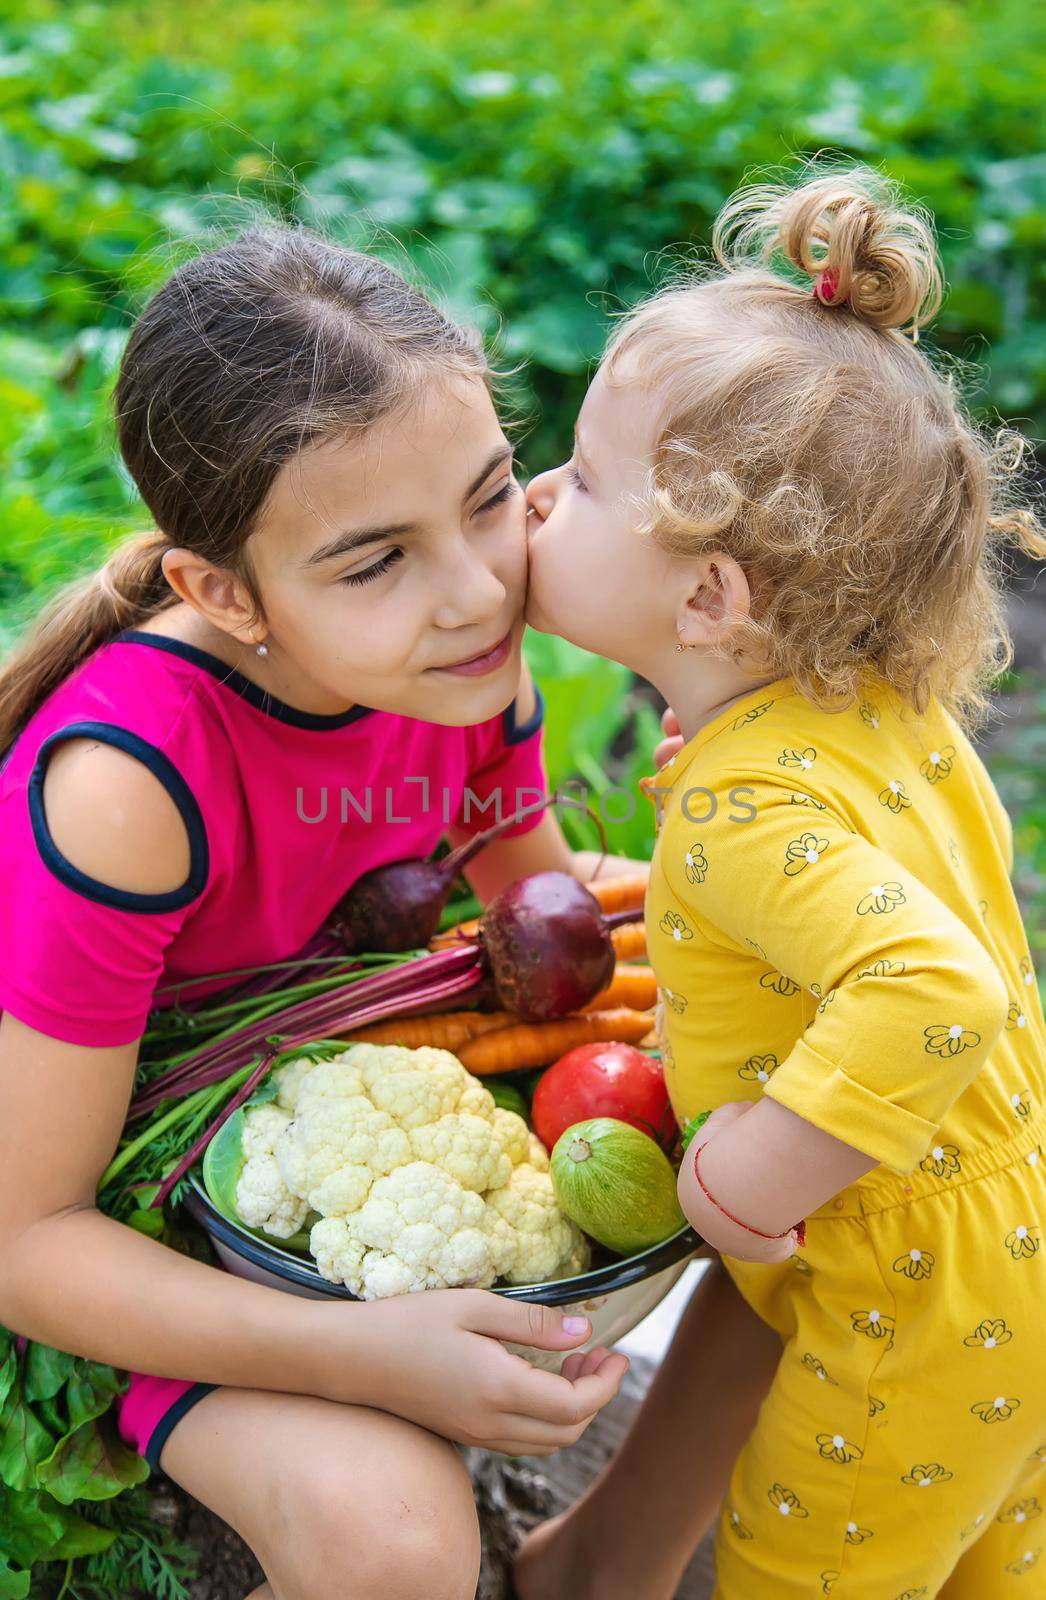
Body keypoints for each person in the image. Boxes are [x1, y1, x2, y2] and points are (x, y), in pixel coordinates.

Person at [0, 227, 660, 1600]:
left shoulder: (461, 672)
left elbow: (535, 964)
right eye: (376, 562)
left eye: (489, 499)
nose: (479, 591)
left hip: (303, 1160)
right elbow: (24, 1239)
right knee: (392, 1535)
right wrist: (373, 1355)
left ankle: (608, 1565)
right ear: (220, 594)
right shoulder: (129, 788)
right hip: (123, 1240)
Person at [520, 163, 1046, 1599]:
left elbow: (929, 984)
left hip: (901, 1301)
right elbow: (929, 891)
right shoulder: (872, 703)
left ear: (707, 600)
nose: (534, 496)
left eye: (577, 483)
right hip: (1005, 1245)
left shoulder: (750, 804)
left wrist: (750, 1178)